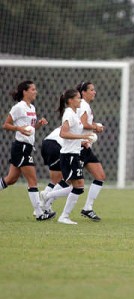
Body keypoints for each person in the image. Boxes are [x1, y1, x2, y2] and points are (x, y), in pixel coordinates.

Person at [0, 80, 55, 221]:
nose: (35, 91)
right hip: (21, 147)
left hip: (26, 147)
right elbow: (6, 125)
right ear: (25, 91)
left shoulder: (32, 108)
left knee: (10, 179)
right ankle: (39, 213)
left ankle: (39, 212)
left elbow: (29, 129)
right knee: (32, 179)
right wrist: (18, 128)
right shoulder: (18, 107)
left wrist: (38, 125)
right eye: (33, 89)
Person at [56, 89, 94, 225]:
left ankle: (48, 197)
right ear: (70, 100)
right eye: (78, 98)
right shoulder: (68, 114)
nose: (80, 100)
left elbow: (71, 134)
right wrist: (82, 136)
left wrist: (81, 141)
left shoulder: (74, 114)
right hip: (69, 155)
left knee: (78, 186)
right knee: (79, 186)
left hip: (74, 153)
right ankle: (64, 216)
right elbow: (63, 133)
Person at [76, 81, 106, 221]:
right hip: (79, 147)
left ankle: (88, 208)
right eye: (92, 90)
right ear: (83, 92)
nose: (94, 92)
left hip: (86, 147)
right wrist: (96, 127)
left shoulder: (85, 105)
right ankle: (46, 198)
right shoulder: (82, 104)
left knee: (100, 175)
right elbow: (82, 124)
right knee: (69, 183)